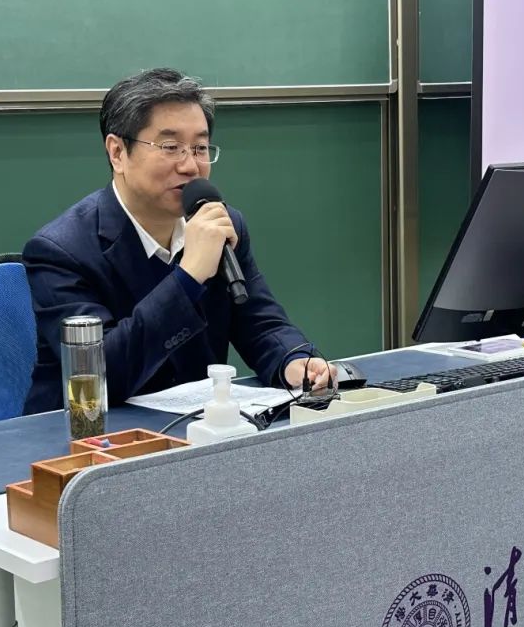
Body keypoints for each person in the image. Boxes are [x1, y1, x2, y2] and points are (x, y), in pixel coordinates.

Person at [22, 67, 335, 413]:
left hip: (193, 429)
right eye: (171, 147)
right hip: (82, 433)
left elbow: (259, 321)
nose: (190, 166)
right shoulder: (60, 251)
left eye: (200, 147)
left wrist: (294, 359)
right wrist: (188, 278)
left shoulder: (222, 225)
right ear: (117, 153)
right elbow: (99, 376)